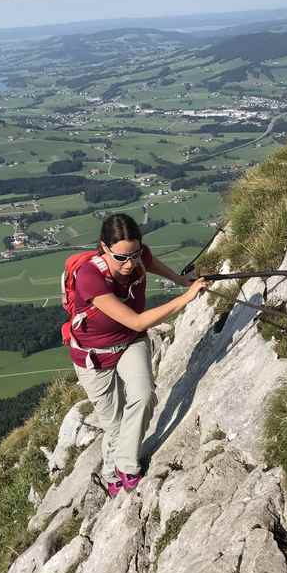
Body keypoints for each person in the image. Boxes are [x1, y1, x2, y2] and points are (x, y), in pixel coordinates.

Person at [67, 213, 207, 497]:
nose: (130, 264)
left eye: (134, 254)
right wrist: (186, 297)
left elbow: (150, 262)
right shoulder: (89, 278)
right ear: (103, 247)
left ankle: (127, 467)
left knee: (144, 396)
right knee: (115, 422)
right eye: (121, 258)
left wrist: (180, 280)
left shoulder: (138, 255)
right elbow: (137, 321)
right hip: (95, 357)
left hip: (130, 343)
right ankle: (111, 472)